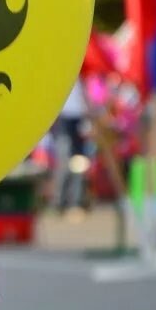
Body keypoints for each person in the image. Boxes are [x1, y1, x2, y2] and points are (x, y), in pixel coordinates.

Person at [51, 78, 89, 218]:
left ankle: (75, 202)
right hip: (64, 119)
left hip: (78, 119)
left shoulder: (83, 74)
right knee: (64, 163)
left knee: (79, 163)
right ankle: (59, 202)